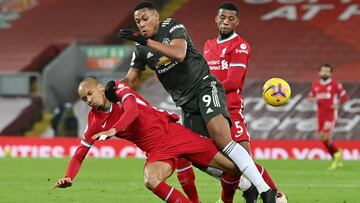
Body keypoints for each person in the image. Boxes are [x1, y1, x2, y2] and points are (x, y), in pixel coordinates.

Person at [117, 2, 276, 202]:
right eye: (138, 21)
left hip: (204, 87)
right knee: (196, 155)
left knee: (222, 140)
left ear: (156, 16)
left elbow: (179, 53)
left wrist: (145, 41)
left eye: (145, 18)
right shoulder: (140, 49)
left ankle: (266, 191)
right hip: (186, 102)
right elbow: (130, 80)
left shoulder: (172, 26)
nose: (141, 24)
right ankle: (246, 185)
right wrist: (113, 89)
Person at [53, 77, 275, 203]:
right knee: (150, 179)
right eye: (84, 99)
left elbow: (132, 111)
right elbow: (79, 154)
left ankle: (265, 191)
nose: (89, 100)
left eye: (90, 93)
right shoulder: (94, 123)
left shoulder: (118, 89)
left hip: (174, 133)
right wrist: (68, 176)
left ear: (100, 87)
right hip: (156, 151)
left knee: (235, 168)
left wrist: (114, 130)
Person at [199, 3, 286, 203]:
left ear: (237, 21)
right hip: (208, 109)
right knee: (200, 158)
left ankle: (277, 196)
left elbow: (233, 81)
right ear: (216, 19)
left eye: (230, 18)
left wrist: (204, 87)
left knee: (244, 160)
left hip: (230, 109)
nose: (225, 21)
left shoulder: (240, 45)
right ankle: (244, 188)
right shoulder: (208, 45)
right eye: (222, 17)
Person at [308, 64, 348, 170]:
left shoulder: (335, 85)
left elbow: (344, 96)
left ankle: (336, 155)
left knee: (326, 136)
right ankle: (336, 155)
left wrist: (338, 104)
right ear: (319, 72)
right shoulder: (315, 85)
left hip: (330, 114)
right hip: (320, 114)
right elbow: (311, 95)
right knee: (322, 138)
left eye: (327, 71)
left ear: (330, 73)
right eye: (323, 71)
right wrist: (311, 98)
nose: (325, 73)